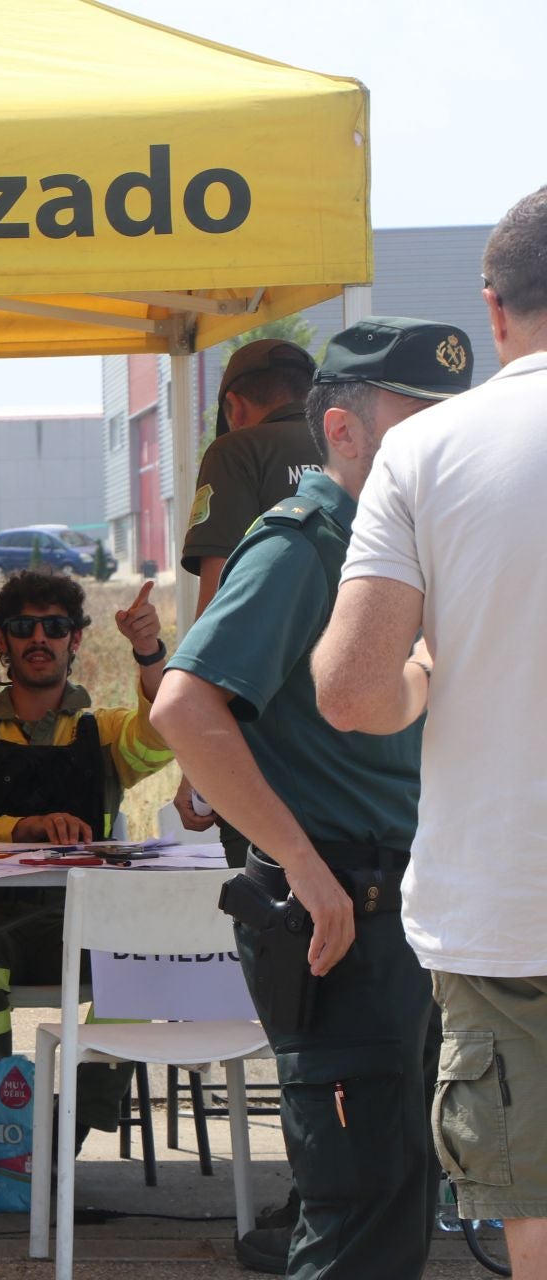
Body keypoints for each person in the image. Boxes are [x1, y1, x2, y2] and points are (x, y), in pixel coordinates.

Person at [152, 316, 473, 1279]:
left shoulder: (404, 548)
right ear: (343, 430)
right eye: (416, 423)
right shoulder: (305, 543)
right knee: (359, 1212)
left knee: (396, 1194)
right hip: (338, 908)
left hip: (400, 909)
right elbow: (184, 707)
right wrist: (298, 862)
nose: (442, 446)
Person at [313, 192, 547, 1280]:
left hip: (508, 912)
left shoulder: (423, 451)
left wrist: (425, 671)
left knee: (534, 1211)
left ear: (493, 310)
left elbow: (352, 693)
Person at [0, 570, 173, 1141]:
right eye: (22, 627)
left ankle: (68, 1128)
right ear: (0, 641)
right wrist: (21, 828)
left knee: (142, 959)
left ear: (75, 639)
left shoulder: (104, 731)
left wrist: (149, 652)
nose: (40, 638)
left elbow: (162, 735)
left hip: (79, 922)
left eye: (55, 627)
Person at [173, 338, 319, 843]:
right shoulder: (360, 447)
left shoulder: (237, 451)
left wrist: (199, 760)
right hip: (369, 736)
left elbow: (217, 611)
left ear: (234, 406)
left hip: (268, 735)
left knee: (276, 885)